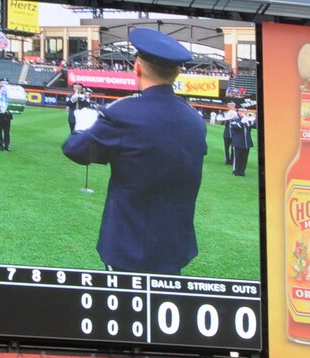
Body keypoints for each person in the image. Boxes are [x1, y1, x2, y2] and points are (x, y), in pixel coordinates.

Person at [61, 27, 208, 274]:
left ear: (137, 67)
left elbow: (76, 150)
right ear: (177, 72)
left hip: (128, 249)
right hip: (173, 248)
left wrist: (83, 126)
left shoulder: (125, 113)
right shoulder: (194, 119)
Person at [0, 84, 15, 151]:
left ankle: (7, 145)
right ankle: (0, 145)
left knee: (7, 132)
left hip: (7, 115)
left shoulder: (10, 94)